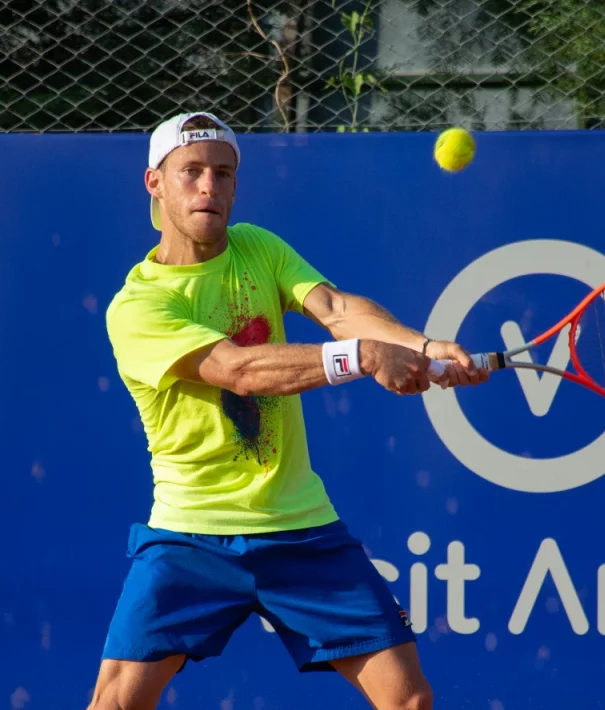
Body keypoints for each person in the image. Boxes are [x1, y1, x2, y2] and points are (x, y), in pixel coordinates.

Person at [91, 111, 488, 710]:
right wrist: (363, 357)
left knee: (407, 699)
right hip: (191, 533)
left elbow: (335, 306)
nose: (209, 187)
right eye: (191, 172)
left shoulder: (258, 247)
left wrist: (423, 347)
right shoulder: (138, 306)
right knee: (116, 705)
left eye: (223, 174)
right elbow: (239, 371)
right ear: (155, 183)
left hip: (301, 527)